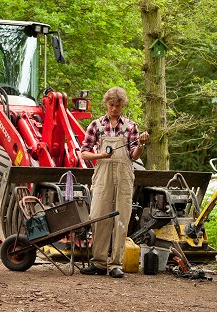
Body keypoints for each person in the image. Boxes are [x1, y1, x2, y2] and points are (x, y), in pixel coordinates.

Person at [80, 86, 149, 278]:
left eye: (118, 106)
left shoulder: (130, 126)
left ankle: (116, 263)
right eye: (111, 105)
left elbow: (134, 156)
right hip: (102, 175)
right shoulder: (96, 125)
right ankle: (99, 262)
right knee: (99, 215)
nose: (114, 109)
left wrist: (141, 144)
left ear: (122, 105)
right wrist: (100, 155)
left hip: (125, 175)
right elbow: (84, 152)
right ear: (106, 104)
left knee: (121, 218)